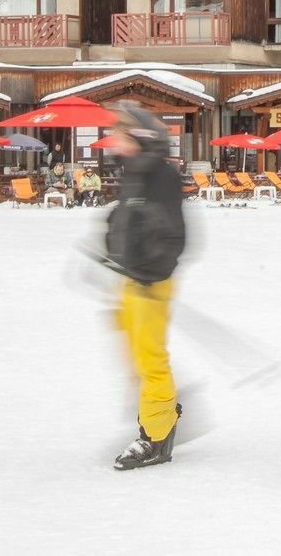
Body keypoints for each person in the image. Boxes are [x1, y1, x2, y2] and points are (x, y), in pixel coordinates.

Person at [106, 107, 187, 470]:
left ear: (140, 138)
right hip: (131, 277)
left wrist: (151, 271)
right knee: (134, 355)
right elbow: (131, 219)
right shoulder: (136, 173)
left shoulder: (161, 176)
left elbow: (173, 235)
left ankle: (156, 437)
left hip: (150, 281)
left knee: (150, 360)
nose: (115, 145)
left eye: (121, 137)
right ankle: (161, 407)